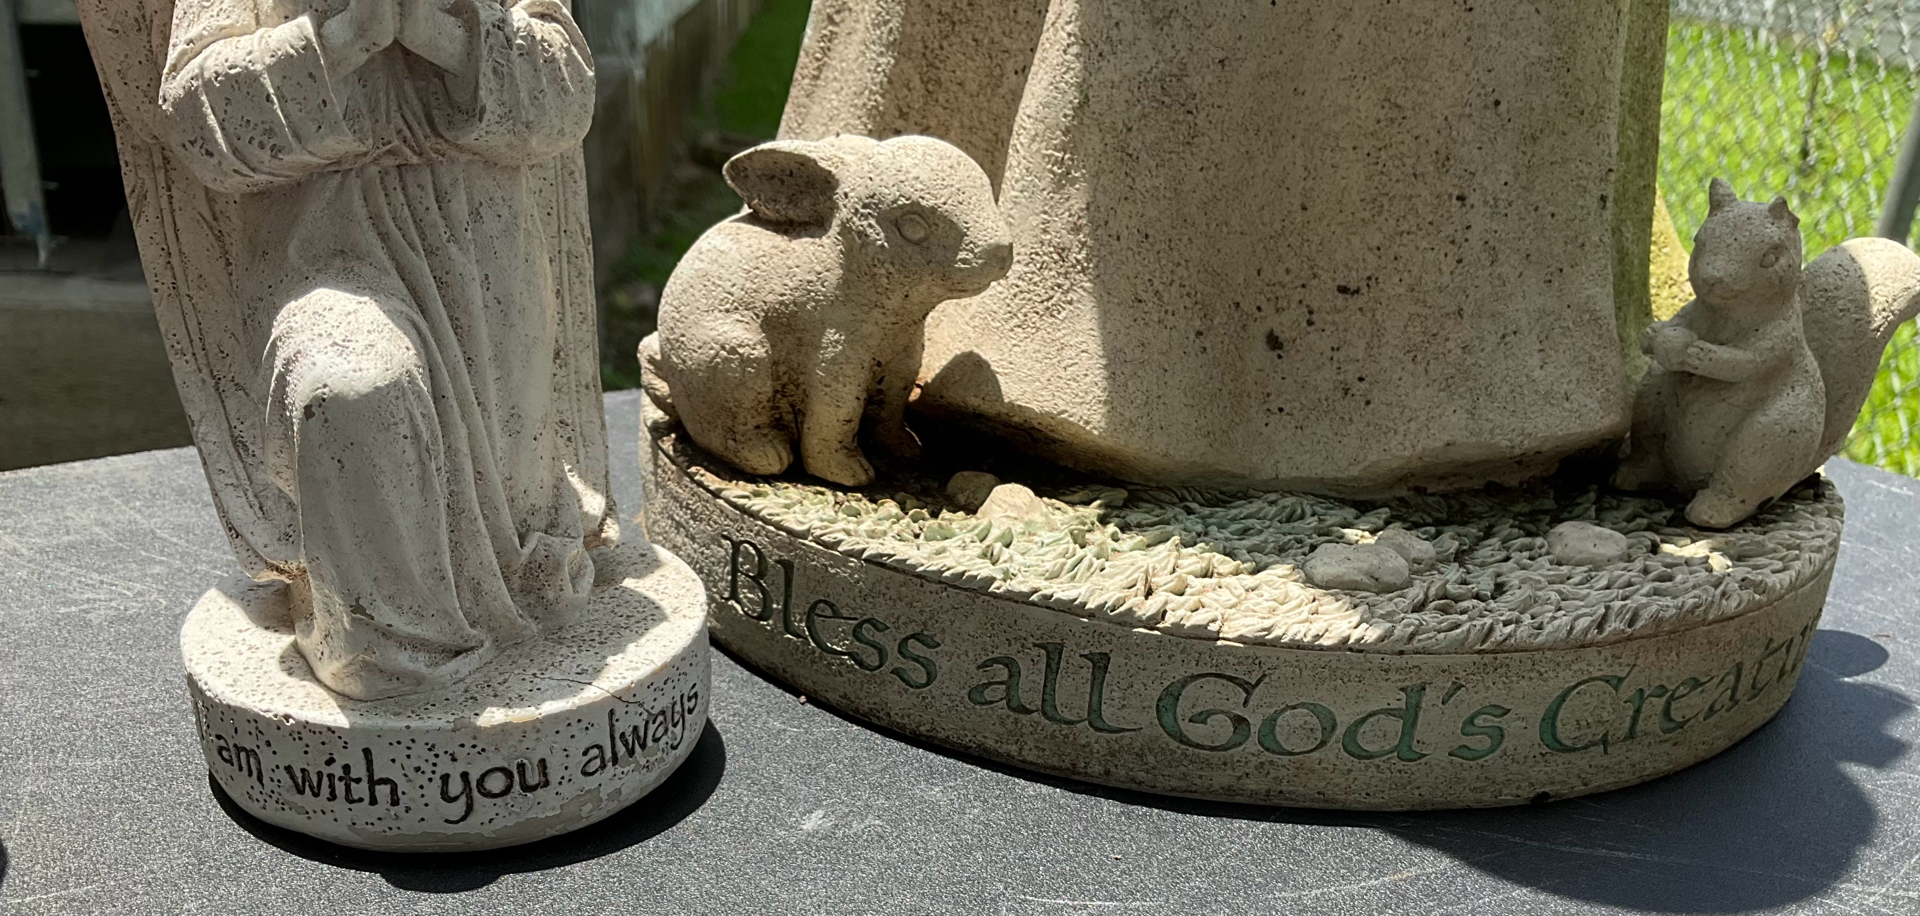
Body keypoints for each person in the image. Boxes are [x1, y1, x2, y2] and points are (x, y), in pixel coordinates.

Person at [78, 0, 616, 700]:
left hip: (489, 268)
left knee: (515, 521)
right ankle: (400, 660)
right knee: (352, 393)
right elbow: (199, 123)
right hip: (325, 254)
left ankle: (503, 605)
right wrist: (341, 40)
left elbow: (565, 96)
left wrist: (442, 33)